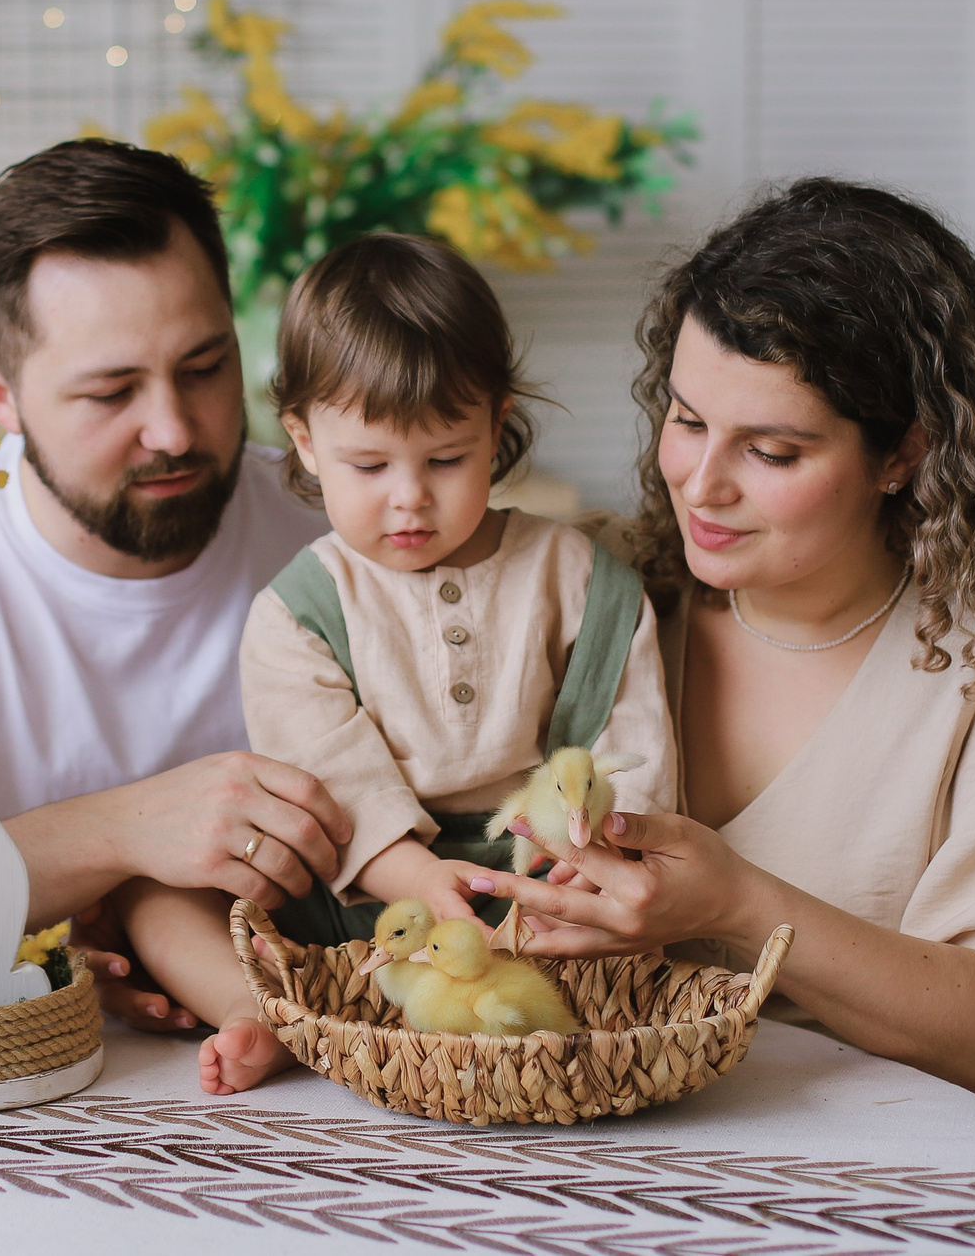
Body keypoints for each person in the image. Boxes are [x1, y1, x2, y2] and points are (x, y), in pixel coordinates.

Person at [473, 178, 975, 1245]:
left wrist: (738, 907)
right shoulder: (605, 591)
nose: (700, 485)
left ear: (905, 451)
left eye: (772, 451)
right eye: (686, 420)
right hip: (620, 1172)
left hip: (919, 1190)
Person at [111, 234, 678, 1093]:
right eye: (369, 464)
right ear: (302, 439)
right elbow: (332, 778)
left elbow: (627, 746)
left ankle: (509, 1003)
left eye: (446, 458)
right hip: (362, 887)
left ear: (498, 421)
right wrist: (416, 877)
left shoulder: (581, 578)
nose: (409, 495)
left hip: (539, 877)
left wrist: (586, 863)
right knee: (154, 897)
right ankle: (263, 1008)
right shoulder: (300, 609)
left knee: (619, 916)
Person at [0, 139, 349, 1030]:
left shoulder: (338, 533)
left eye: (205, 367)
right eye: (111, 392)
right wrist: (125, 831)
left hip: (322, 1081)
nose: (172, 428)